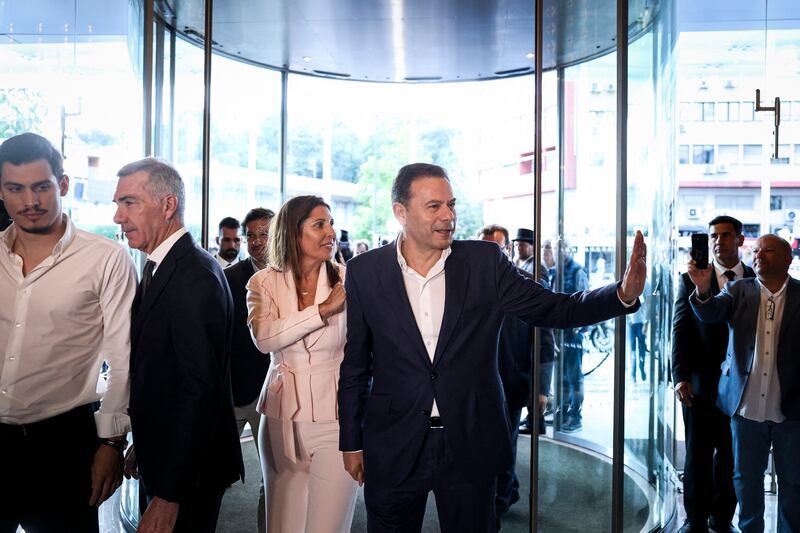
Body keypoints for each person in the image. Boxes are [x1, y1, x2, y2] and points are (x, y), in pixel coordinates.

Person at [339, 163, 646, 532]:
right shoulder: (363, 271)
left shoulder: (485, 262)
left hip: (470, 442)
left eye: (451, 205)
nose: (448, 216)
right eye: (434, 206)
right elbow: (356, 364)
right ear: (400, 212)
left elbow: (554, 308)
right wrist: (351, 442)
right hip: (394, 442)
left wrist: (621, 295)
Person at [0, 133, 136, 533]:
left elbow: (125, 357)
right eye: (15, 189)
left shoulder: (106, 258)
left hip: (62, 442)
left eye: (41, 187)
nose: (30, 201)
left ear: (62, 184)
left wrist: (112, 442)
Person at [113, 158, 243, 533]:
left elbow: (198, 392)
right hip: (170, 458)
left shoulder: (193, 276)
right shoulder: (163, 265)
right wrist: (146, 443)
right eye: (117, 205)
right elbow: (163, 373)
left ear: (168, 205)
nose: (119, 217)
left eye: (129, 203)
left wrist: (169, 495)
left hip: (189, 477)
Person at [247, 195, 357, 533]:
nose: (330, 232)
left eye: (331, 223)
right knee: (281, 525)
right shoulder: (263, 281)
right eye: (319, 225)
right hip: (281, 418)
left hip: (338, 418)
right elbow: (264, 338)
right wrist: (322, 311)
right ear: (295, 233)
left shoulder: (350, 278)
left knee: (328, 526)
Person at [688, 233, 800, 533]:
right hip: (746, 406)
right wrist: (701, 288)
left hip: (791, 409)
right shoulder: (738, 290)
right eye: (757, 250)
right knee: (746, 481)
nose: (759, 255)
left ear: (788, 259)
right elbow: (710, 313)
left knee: (794, 483)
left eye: (769, 251)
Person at [673, 215, 753, 533]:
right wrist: (680, 375)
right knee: (697, 455)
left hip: (743, 387)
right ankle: (694, 520)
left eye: (725, 234)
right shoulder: (689, 279)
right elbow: (680, 329)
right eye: (713, 236)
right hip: (700, 384)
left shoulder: (754, 279)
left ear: (740, 240)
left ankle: (721, 519)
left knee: (732, 456)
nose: (718, 241)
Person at [479, 224, 556, 528]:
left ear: (507, 250)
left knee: (503, 445)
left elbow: (544, 336)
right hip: (476, 386)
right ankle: (507, 492)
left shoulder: (526, 283)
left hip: (511, 383)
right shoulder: (465, 283)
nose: (490, 255)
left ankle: (497, 505)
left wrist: (541, 387)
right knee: (487, 447)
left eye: (496, 248)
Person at [223, 207, 275, 533]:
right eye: (251, 235)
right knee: (211, 472)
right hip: (234, 391)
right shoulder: (228, 279)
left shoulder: (293, 275)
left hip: (274, 395)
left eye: (264, 234)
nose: (256, 242)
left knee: (273, 479)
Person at [550, 237, 590, 432]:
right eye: (557, 248)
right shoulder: (554, 271)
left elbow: (584, 300)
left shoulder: (577, 270)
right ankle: (563, 412)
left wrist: (577, 328)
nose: (560, 252)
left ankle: (575, 416)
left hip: (572, 333)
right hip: (558, 332)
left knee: (574, 376)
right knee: (562, 376)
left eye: (563, 248)